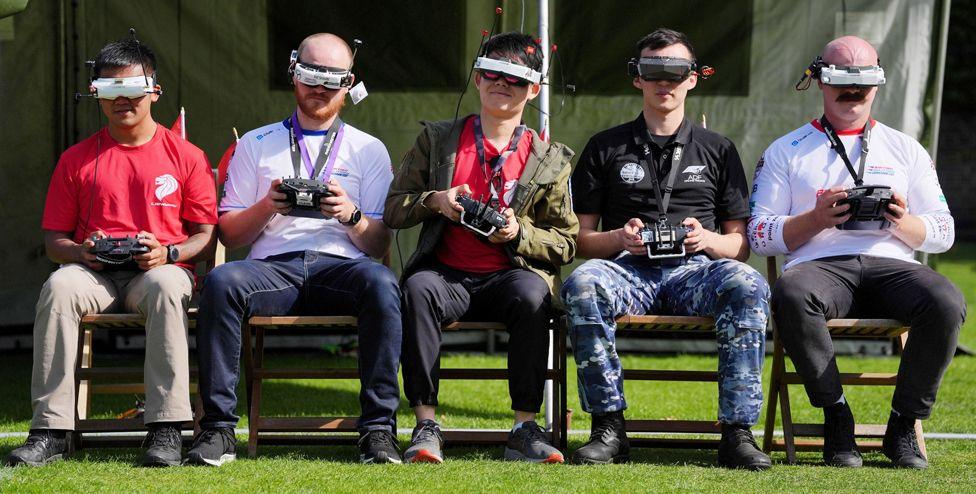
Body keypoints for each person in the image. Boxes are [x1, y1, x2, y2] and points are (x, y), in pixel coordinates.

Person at [749, 35, 965, 469]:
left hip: (894, 264)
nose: (852, 92)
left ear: (878, 84)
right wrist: (816, 218)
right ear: (818, 81)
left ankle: (903, 425)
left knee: (946, 300)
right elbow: (758, 233)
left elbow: (944, 231)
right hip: (820, 267)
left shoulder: (906, 149)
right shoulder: (786, 150)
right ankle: (837, 417)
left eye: (863, 83)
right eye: (840, 81)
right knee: (791, 293)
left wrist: (900, 221)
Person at [561, 28, 771, 469]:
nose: (664, 81)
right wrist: (620, 238)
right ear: (636, 78)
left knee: (748, 285)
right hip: (628, 268)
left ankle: (738, 432)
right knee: (583, 284)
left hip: (696, 269)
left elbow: (741, 243)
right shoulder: (605, 146)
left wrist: (708, 240)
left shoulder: (718, 149)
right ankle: (608, 427)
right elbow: (579, 240)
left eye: (675, 71)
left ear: (692, 78)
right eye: (652, 70)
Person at [189, 33, 402, 466]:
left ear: (349, 83)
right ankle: (218, 430)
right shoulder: (257, 142)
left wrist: (350, 214)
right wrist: (269, 205)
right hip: (273, 268)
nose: (319, 88)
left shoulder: (368, 148)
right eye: (309, 75)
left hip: (344, 267)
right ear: (292, 73)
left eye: (332, 78)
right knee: (222, 280)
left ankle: (379, 431)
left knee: (382, 283)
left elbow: (381, 243)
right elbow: (229, 235)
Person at [5, 36, 218, 467]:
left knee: (164, 284)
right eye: (109, 89)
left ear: (154, 90)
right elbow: (53, 242)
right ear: (96, 95)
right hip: (94, 274)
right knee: (60, 286)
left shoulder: (187, 155)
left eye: (132, 87)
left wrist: (170, 253)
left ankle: (165, 430)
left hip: (156, 269)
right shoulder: (76, 159)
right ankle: (51, 430)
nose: (122, 99)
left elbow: (206, 234)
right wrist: (81, 252)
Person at [385, 32, 578, 464]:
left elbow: (566, 242)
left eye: (514, 78)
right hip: (446, 272)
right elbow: (394, 210)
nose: (500, 83)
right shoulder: (437, 140)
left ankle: (524, 428)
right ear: (476, 78)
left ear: (533, 89)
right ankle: (425, 423)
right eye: (492, 72)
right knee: (417, 289)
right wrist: (435, 201)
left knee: (534, 294)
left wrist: (517, 232)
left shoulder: (548, 158)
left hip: (509, 275)